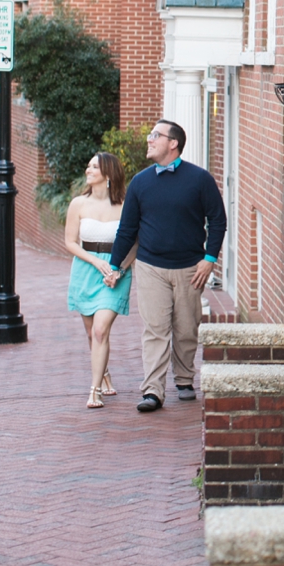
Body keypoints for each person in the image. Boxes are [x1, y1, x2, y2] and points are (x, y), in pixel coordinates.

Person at [106, 119, 226, 412]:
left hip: (190, 269)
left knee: (186, 328)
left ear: (173, 143)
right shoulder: (141, 182)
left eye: (155, 135)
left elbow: (218, 219)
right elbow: (127, 229)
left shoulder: (200, 179)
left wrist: (209, 260)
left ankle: (184, 380)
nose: (149, 139)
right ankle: (153, 392)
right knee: (155, 330)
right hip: (150, 267)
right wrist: (114, 265)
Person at [64, 151, 131, 409]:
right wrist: (96, 262)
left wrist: (119, 269)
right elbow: (70, 242)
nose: (88, 170)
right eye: (88, 165)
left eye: (94, 166)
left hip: (115, 274)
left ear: (108, 173)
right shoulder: (78, 204)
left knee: (101, 329)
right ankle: (103, 373)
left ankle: (94, 391)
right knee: (92, 333)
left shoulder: (126, 204)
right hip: (85, 271)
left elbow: (134, 243)